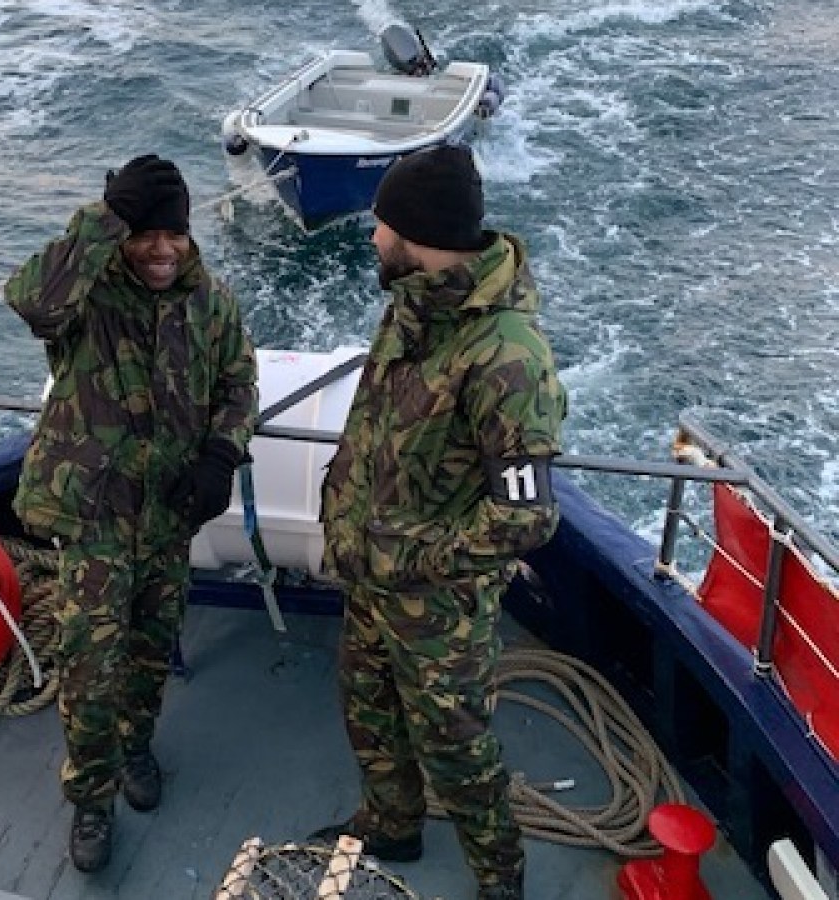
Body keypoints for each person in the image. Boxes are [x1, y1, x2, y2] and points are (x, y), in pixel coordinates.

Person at [311, 144, 566, 900]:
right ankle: (392, 821)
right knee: (367, 706)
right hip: (371, 578)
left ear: (413, 231)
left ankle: (499, 879)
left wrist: (418, 559)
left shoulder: (508, 359)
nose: (372, 237)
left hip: (437, 605)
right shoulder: (414, 305)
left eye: (380, 223)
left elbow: (527, 518)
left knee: (457, 750)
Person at [4, 154, 258, 873]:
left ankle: (136, 746)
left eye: (171, 234)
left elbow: (240, 383)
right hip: (97, 520)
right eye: (144, 234)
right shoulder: (88, 298)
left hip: (169, 517)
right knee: (90, 661)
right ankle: (90, 794)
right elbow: (29, 299)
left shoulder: (211, 301)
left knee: (151, 648)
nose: (160, 249)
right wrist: (104, 217)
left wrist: (220, 453)